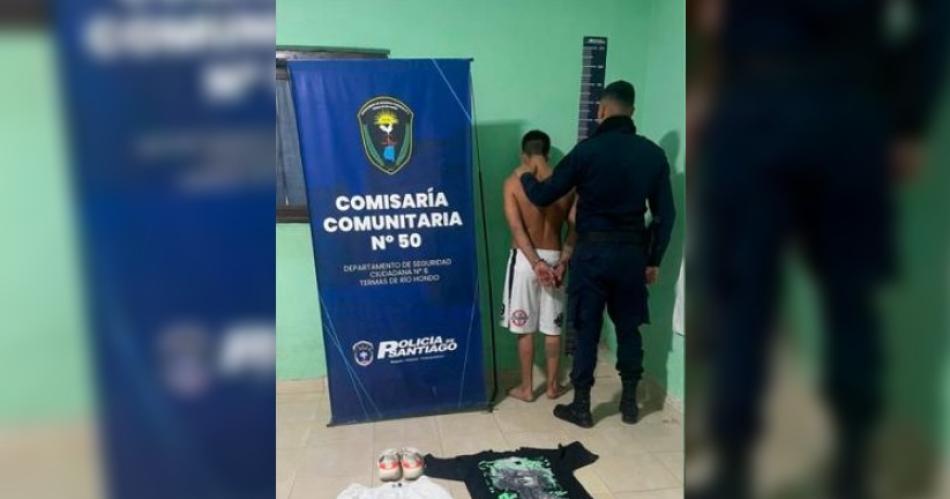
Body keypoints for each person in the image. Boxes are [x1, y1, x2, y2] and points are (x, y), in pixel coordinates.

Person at [516, 80, 676, 427]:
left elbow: (543, 195)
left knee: (586, 328)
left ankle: (582, 407)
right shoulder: (652, 154)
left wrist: (527, 177)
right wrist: (653, 259)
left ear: (601, 110)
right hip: (631, 254)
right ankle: (630, 404)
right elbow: (666, 215)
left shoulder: (587, 151)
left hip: (592, 253)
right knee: (629, 328)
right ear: (632, 111)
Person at [501, 130, 575, 402]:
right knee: (553, 328)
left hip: (525, 260)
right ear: (548, 153)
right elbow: (575, 227)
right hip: (555, 258)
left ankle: (527, 389)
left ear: (524, 155)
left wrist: (535, 263)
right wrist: (563, 261)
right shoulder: (567, 183)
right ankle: (553, 387)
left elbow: (517, 228)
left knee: (524, 328)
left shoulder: (512, 182)